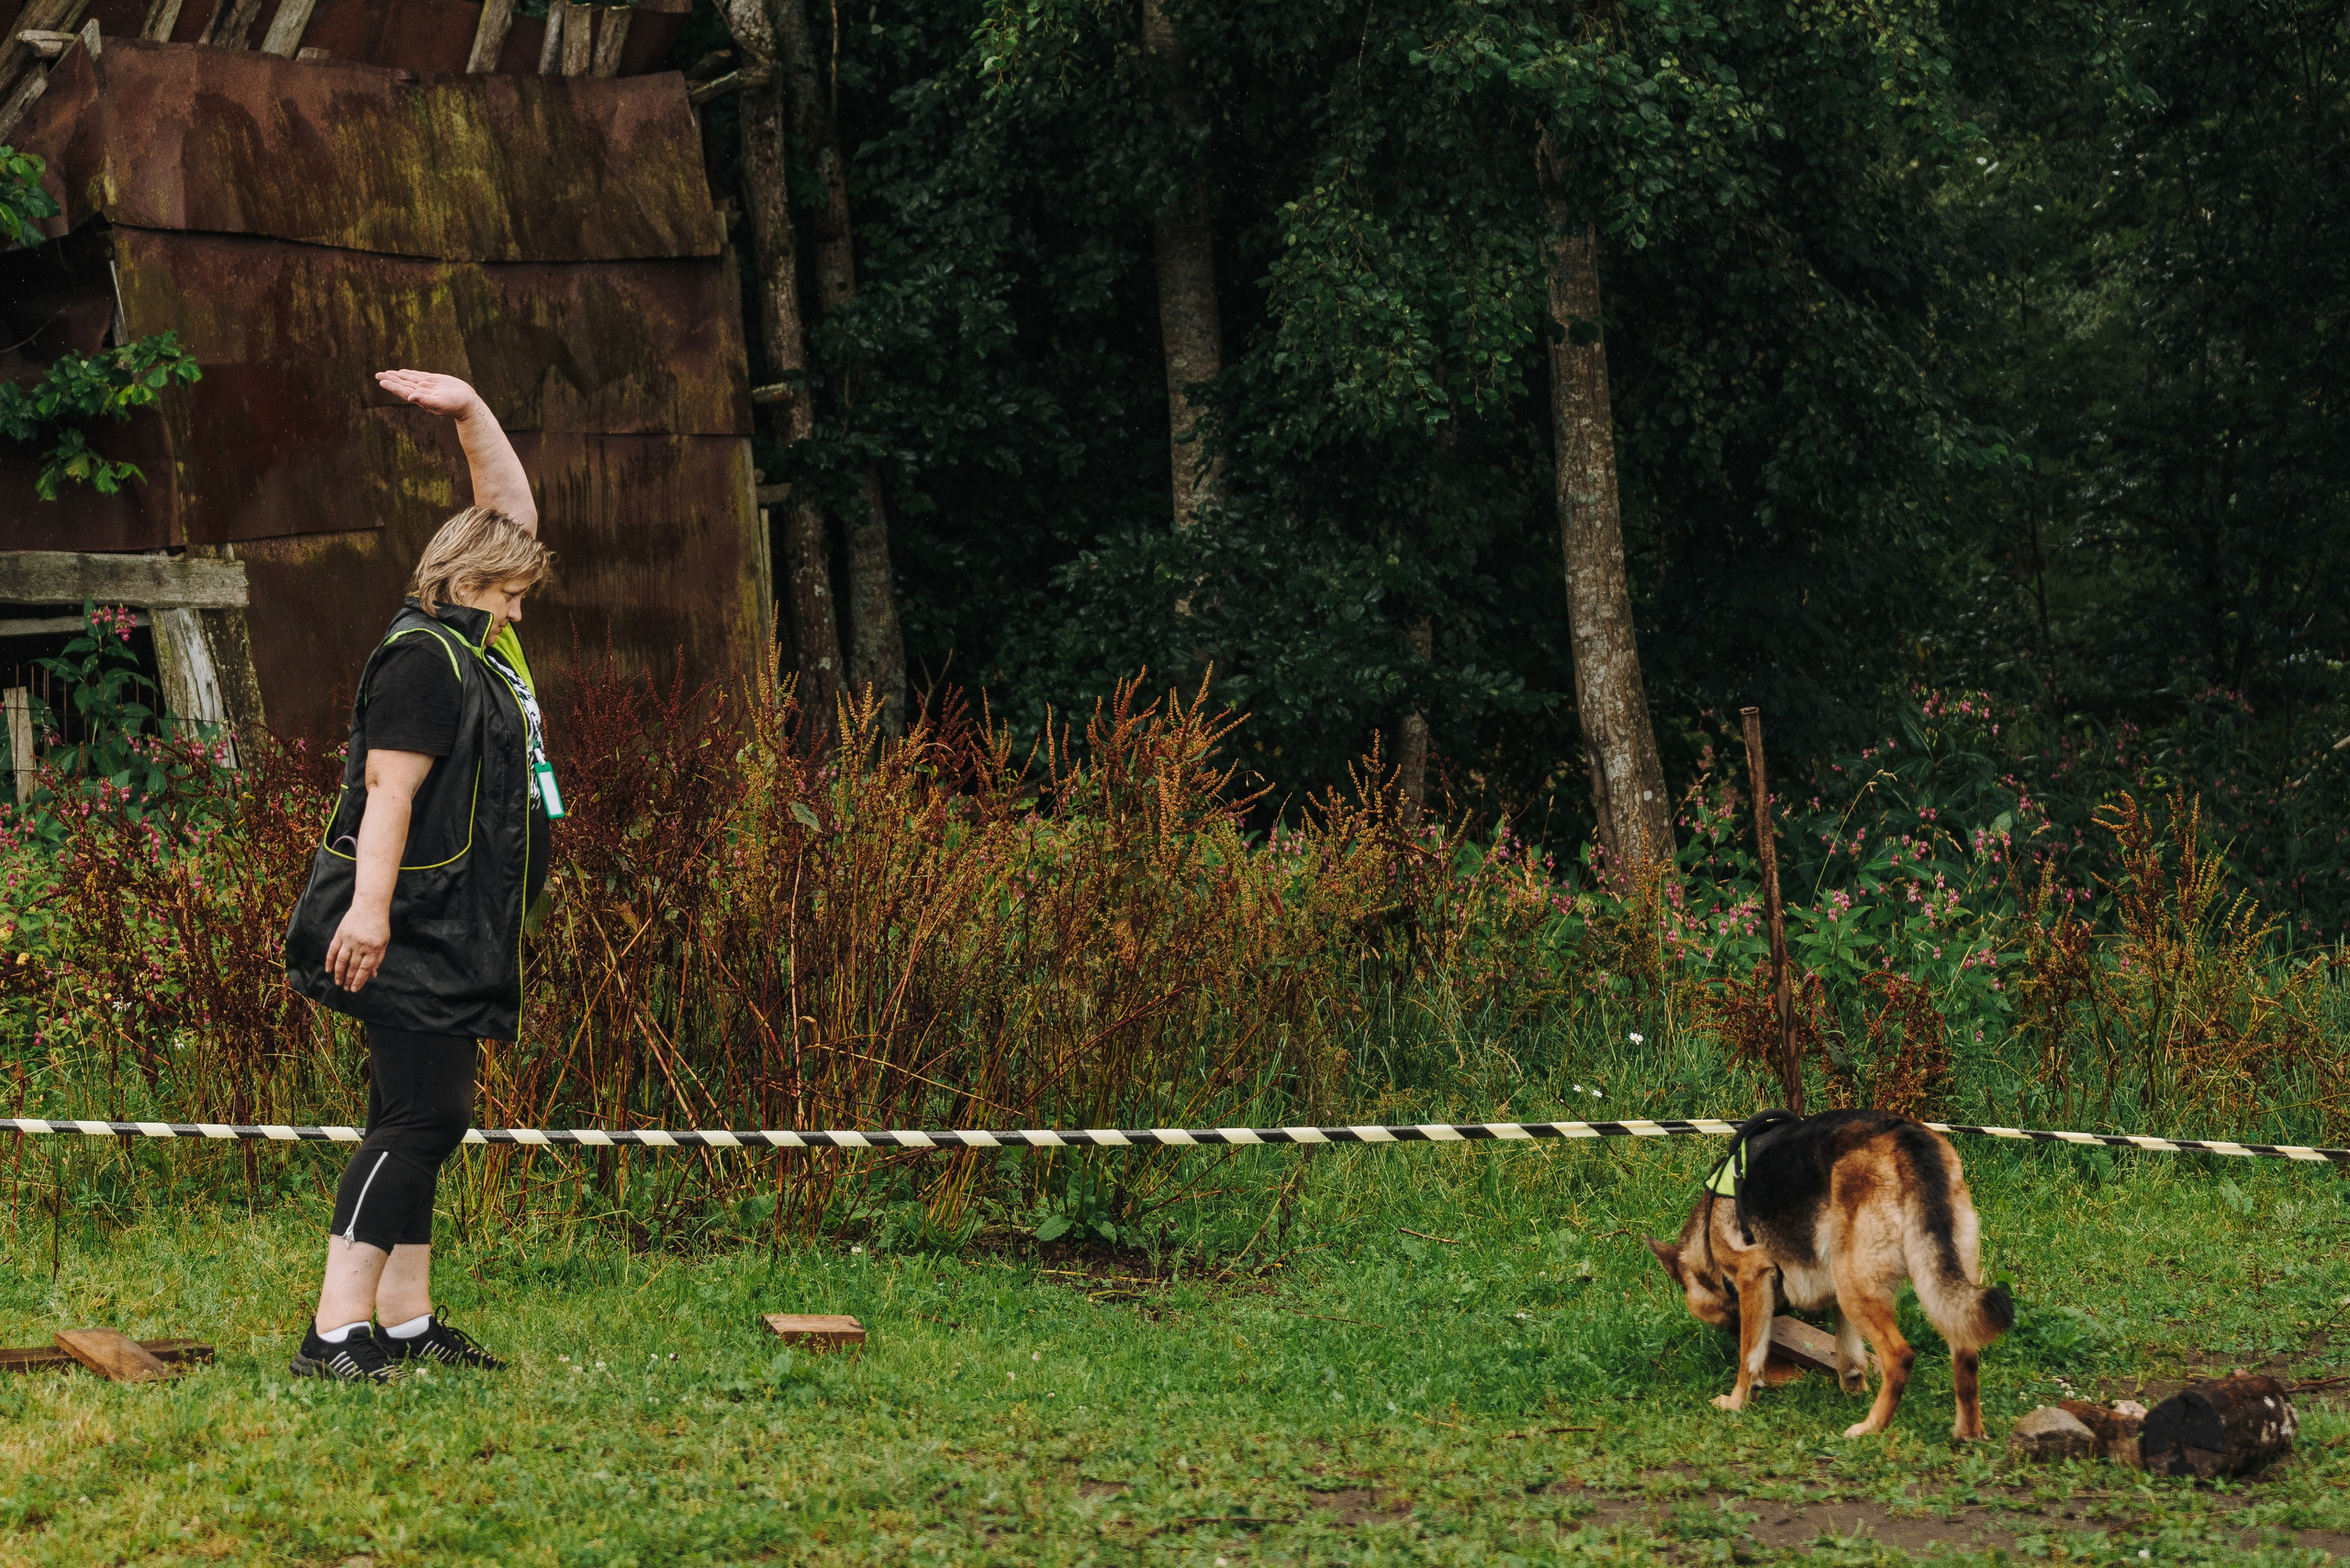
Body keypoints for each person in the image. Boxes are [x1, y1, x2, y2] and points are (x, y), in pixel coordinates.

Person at [280, 368, 562, 1383]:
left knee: (422, 1113)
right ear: (471, 584)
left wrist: (472, 409)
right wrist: (367, 918)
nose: (521, 615)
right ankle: (332, 1332)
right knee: (421, 1117)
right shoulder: (424, 659)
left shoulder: (473, 641)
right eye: (513, 597)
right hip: (406, 924)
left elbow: (513, 517)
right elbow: (387, 795)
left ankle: (402, 1324)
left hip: (451, 925)